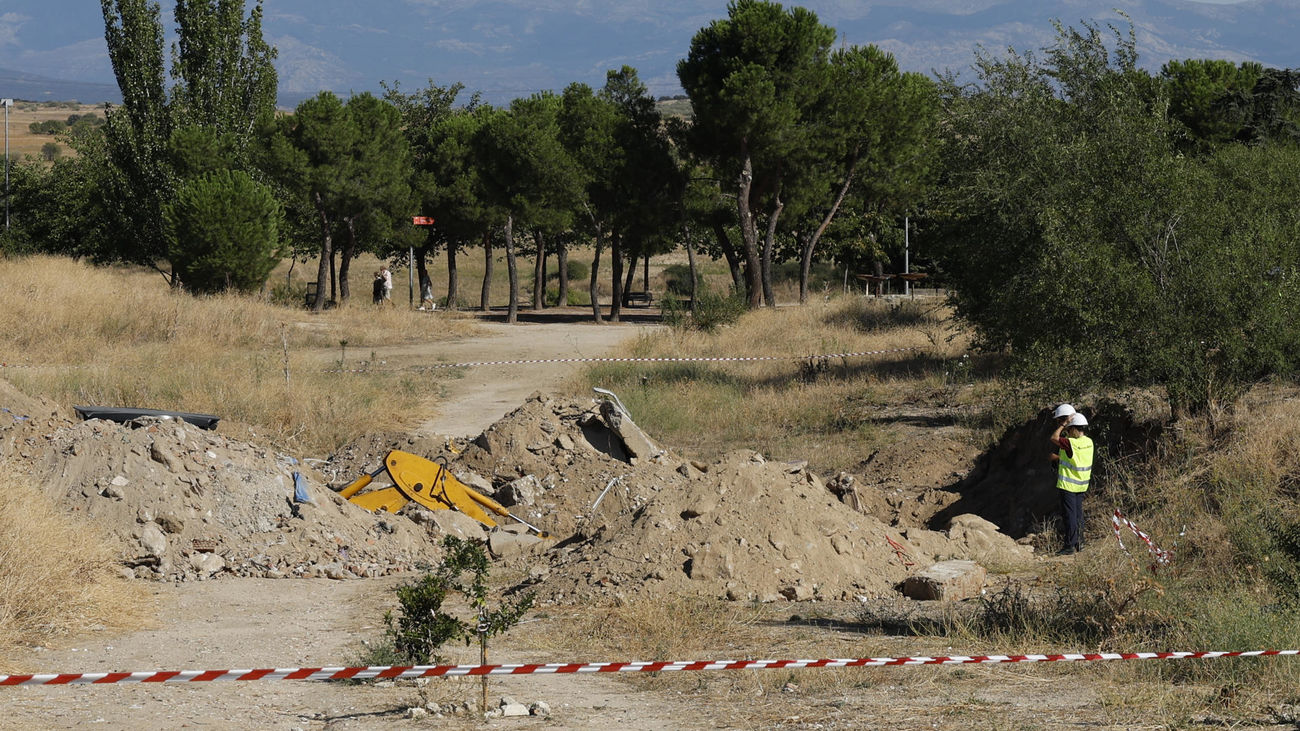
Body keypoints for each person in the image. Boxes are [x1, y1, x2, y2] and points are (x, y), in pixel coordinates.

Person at [1049, 411, 1093, 555]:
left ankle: (1069, 546)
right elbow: (1075, 459)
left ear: (1073, 428)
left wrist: (1063, 424)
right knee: (1078, 515)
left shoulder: (1071, 443)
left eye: (1069, 429)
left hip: (1068, 486)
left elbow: (1054, 438)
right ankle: (1081, 543)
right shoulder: (1088, 442)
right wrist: (1057, 459)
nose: (1067, 433)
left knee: (1070, 516)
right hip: (1081, 484)